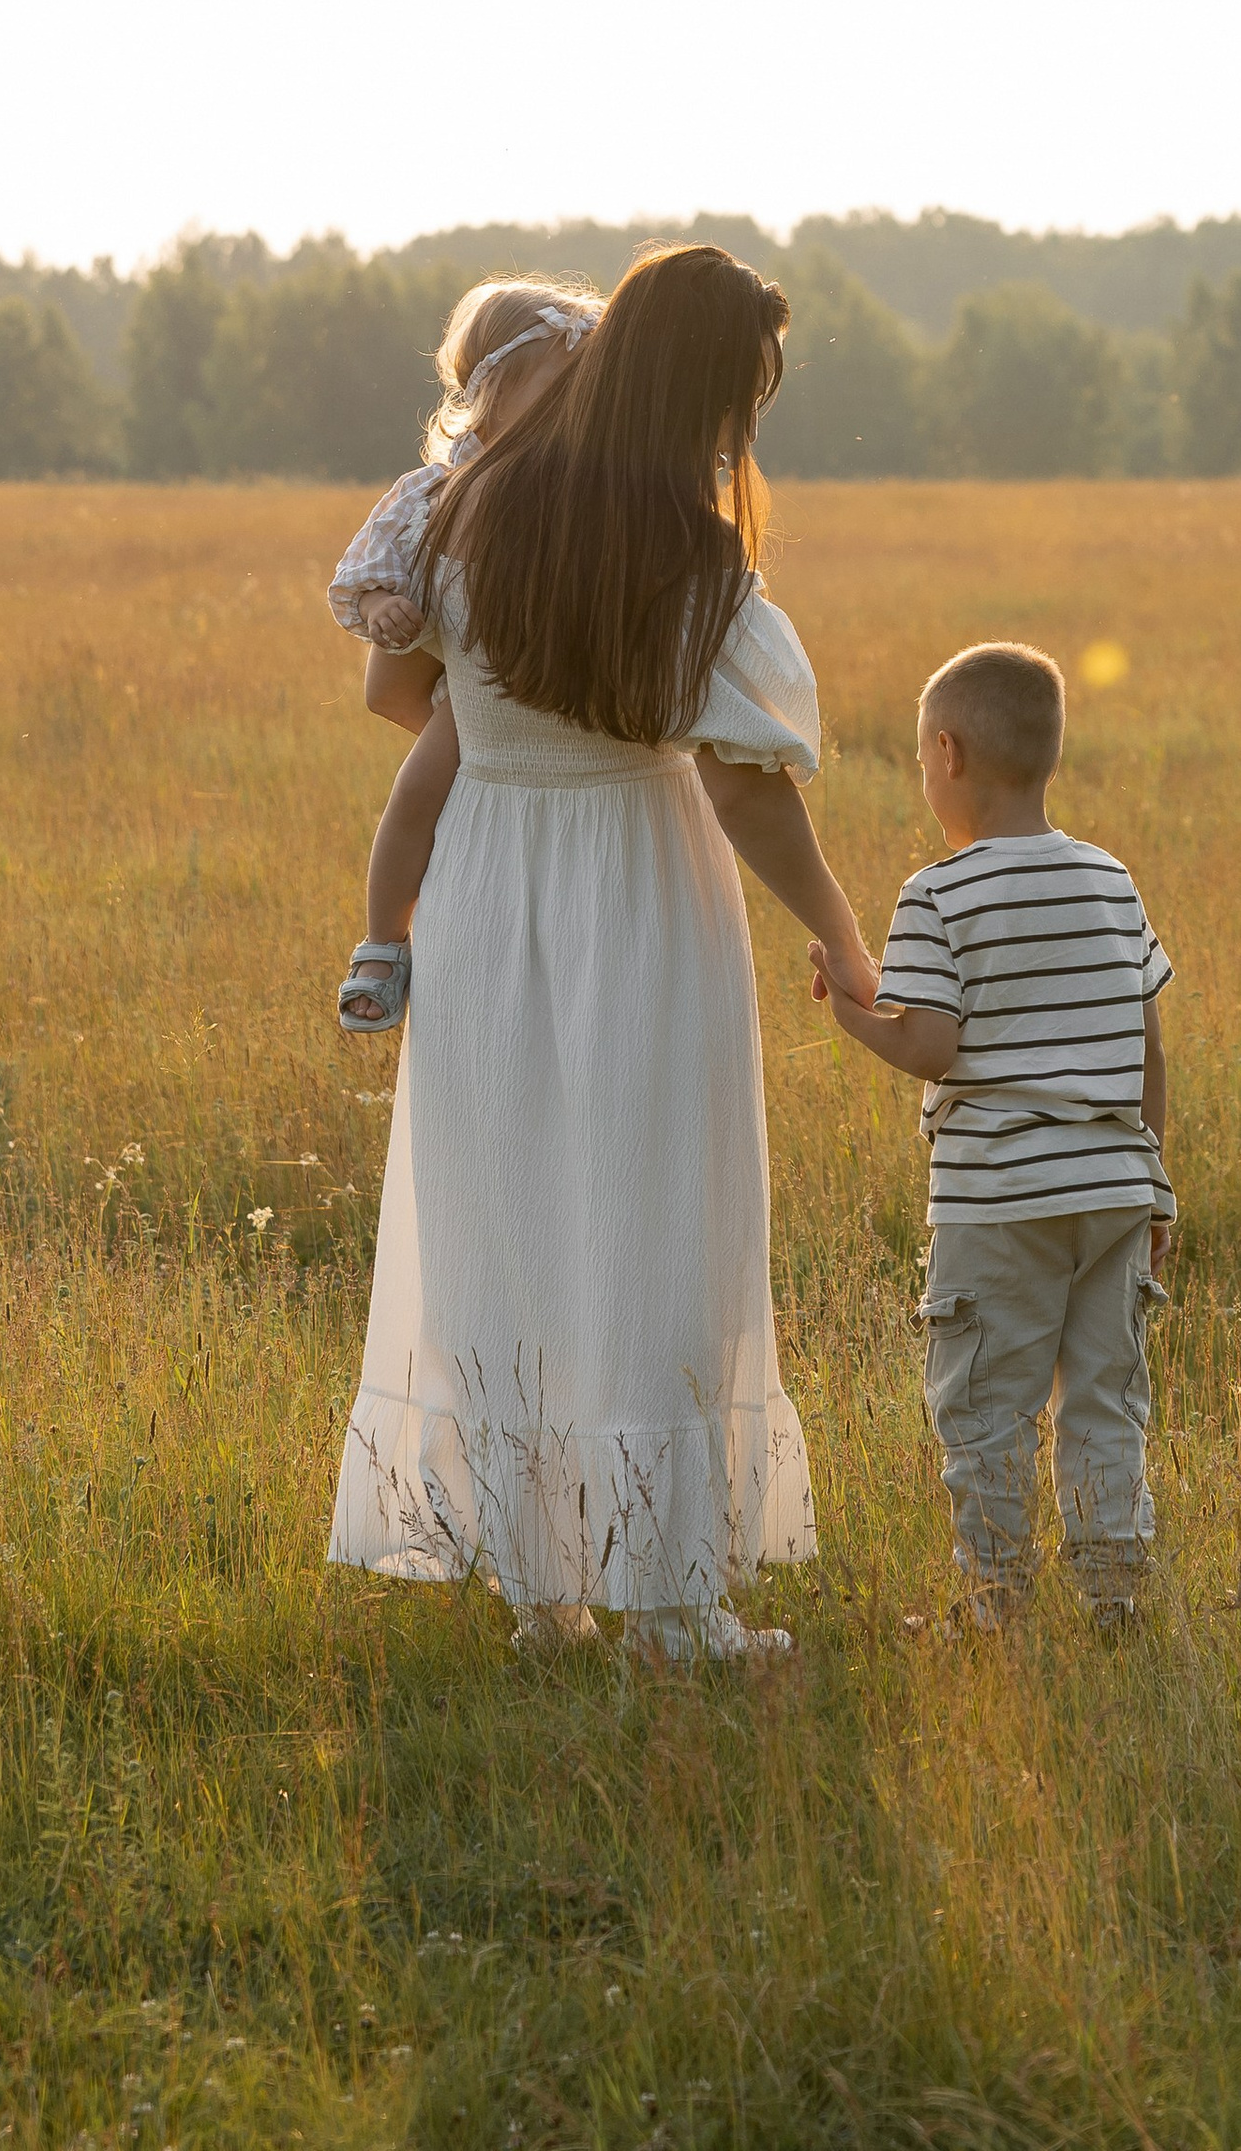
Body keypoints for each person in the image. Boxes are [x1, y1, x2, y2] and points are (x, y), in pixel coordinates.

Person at [328, 243, 879, 1664]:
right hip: (636, 882)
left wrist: (513, 744)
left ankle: (543, 1591)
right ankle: (670, 1603)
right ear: (713, 390)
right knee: (653, 1222)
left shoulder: (473, 505)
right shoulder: (687, 549)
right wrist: (839, 926)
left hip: (484, 884)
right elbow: (748, 788)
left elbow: (401, 686)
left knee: (505, 1220)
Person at [810, 640, 1174, 1625]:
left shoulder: (939, 893)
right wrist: (1157, 1186)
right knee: (1105, 1400)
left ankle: (998, 1599)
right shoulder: (1110, 880)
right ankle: (1112, 1598)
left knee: (984, 1406)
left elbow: (931, 1045)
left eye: (920, 760)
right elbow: (1146, 1045)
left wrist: (850, 1011)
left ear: (947, 752)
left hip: (999, 1199)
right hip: (1112, 1191)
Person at [326, 279, 602, 1033]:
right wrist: (385, 609)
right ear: (495, 386)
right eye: (560, 377)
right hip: (474, 698)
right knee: (415, 798)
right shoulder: (435, 492)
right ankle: (383, 942)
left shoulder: (593, 482)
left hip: (554, 716)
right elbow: (372, 579)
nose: (580, 394)